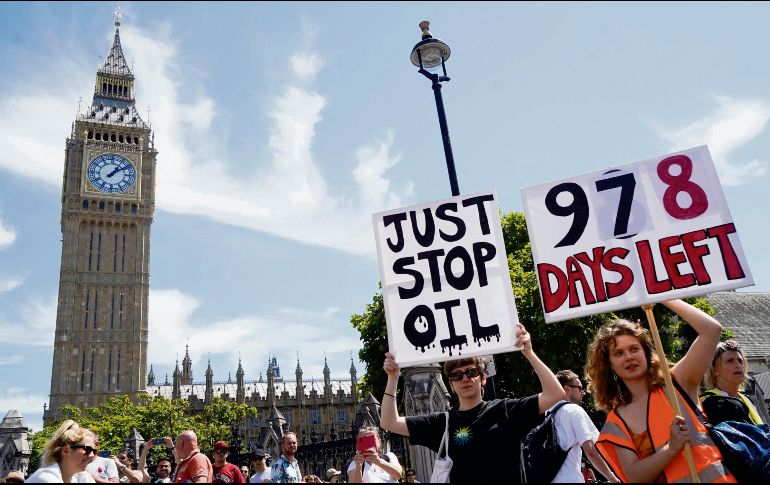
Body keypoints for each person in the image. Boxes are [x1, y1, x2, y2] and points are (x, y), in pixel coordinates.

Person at [380, 322, 566, 483]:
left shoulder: (505, 410)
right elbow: (389, 422)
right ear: (451, 384)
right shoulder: (443, 423)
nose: (465, 379)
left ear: (483, 377)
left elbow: (555, 393)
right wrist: (393, 378)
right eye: (457, 375)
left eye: (471, 372)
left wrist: (529, 353)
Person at [589, 299, 736, 483]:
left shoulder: (677, 383)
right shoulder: (616, 421)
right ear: (609, 365)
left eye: (634, 349)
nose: (629, 357)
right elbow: (634, 477)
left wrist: (661, 296)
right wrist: (671, 448)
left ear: (646, 353)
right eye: (619, 353)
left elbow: (711, 330)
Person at [548, 370, 619, 483]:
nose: (584, 392)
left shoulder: (546, 412)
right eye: (580, 388)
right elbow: (590, 451)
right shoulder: (574, 410)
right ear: (567, 389)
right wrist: (613, 478)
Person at [702, 339, 765, 425]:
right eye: (730, 361)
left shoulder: (746, 399)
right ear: (715, 370)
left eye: (740, 360)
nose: (738, 365)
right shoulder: (711, 402)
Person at [26, 419, 96, 483]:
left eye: (94, 451)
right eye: (88, 449)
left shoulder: (80, 478)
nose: (92, 455)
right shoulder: (47, 478)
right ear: (66, 451)